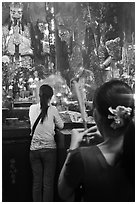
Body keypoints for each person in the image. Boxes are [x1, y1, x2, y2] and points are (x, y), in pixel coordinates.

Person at [58, 79, 135, 202]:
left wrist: (73, 148)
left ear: (96, 115)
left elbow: (64, 193)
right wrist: (106, 138)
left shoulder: (82, 157)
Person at [29, 84, 64, 202]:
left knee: (36, 183)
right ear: (51, 97)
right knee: (48, 184)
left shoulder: (32, 108)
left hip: (34, 150)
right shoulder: (53, 110)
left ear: (39, 95)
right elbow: (61, 125)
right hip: (49, 150)